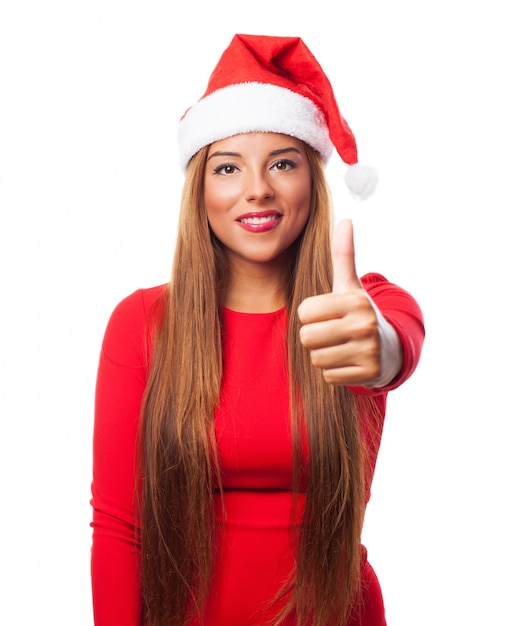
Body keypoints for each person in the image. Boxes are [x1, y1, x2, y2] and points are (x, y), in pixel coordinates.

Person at [90, 34, 425, 626]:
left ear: (310, 182)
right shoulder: (142, 324)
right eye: (227, 167)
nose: (257, 189)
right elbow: (120, 529)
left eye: (282, 162)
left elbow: (395, 339)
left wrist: (381, 352)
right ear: (201, 190)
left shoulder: (356, 308)